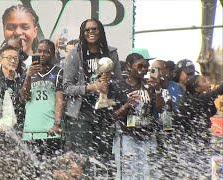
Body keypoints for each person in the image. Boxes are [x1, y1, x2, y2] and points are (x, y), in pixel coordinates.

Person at [63, 18, 122, 174]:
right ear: (83, 33)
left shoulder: (112, 53)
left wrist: (109, 84)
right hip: (81, 114)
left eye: (94, 29)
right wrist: (91, 87)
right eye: (87, 30)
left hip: (105, 113)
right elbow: (66, 88)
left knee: (105, 158)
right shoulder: (75, 54)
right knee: (83, 158)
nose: (91, 32)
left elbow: (119, 82)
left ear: (101, 31)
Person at [112, 53, 163, 179]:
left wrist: (157, 90)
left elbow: (159, 109)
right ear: (129, 66)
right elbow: (113, 115)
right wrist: (127, 105)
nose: (144, 69)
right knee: (129, 175)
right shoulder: (119, 86)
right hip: (127, 137)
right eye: (140, 66)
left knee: (147, 174)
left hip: (147, 136)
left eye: (146, 66)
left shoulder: (149, 85)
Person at [20, 39, 64, 156]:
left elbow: (59, 100)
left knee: (52, 170)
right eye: (39, 51)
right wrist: (29, 77)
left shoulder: (59, 72)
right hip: (31, 130)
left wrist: (57, 124)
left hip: (50, 131)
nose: (42, 55)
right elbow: (24, 97)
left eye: (46, 52)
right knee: (32, 171)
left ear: (53, 54)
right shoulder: (27, 72)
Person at [0, 43, 26, 132]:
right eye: (9, 58)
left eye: (15, 58)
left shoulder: (23, 80)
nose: (12, 61)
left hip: (20, 130)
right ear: (0, 59)